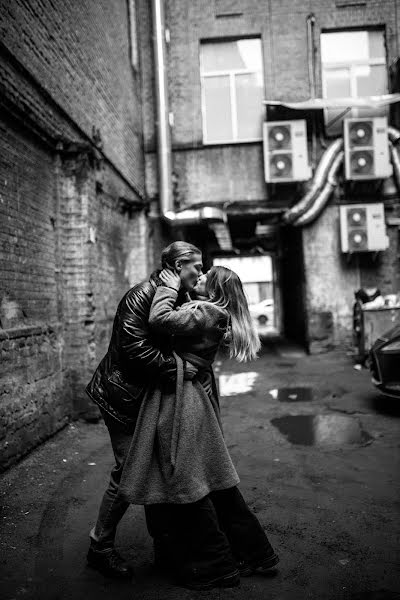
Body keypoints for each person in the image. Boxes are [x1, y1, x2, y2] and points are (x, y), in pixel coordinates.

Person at [119, 266, 279, 590]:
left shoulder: (207, 311)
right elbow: (186, 318)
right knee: (216, 484)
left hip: (186, 401)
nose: (200, 275)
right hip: (191, 395)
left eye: (206, 277)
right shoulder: (211, 311)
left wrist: (168, 287)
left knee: (190, 483)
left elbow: (161, 319)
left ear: (215, 289)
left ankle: (218, 565)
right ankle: (257, 554)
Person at [85, 241, 204, 578]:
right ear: (180, 265)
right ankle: (99, 548)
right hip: (122, 397)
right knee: (128, 473)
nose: (200, 271)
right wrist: (177, 368)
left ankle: (165, 547)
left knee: (158, 468)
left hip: (148, 399)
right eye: (196, 265)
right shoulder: (141, 296)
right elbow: (134, 348)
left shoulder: (176, 295)